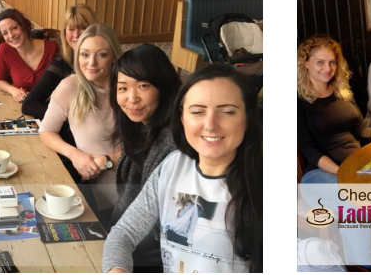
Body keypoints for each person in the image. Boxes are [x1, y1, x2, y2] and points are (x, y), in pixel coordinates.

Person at [101, 65, 263, 273]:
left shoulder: (262, 180)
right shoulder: (172, 166)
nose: (210, 124)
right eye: (197, 111)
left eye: (227, 112)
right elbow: (124, 232)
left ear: (247, 118)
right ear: (181, 117)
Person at [99, 45, 185, 271]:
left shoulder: (174, 143)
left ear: (163, 87)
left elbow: (161, 229)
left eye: (143, 86)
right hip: (124, 247)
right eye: (123, 88)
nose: (132, 98)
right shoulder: (140, 129)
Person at [40, 25, 126, 182]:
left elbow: (146, 144)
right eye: (85, 54)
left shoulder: (128, 88)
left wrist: (108, 161)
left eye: (102, 55)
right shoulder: (70, 87)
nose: (91, 63)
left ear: (114, 56)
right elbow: (46, 131)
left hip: (132, 179)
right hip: (93, 183)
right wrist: (74, 154)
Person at [299, 37, 366, 179]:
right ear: (305, 63)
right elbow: (309, 149)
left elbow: (361, 129)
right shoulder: (298, 100)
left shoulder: (343, 92)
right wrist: (341, 171)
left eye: (332, 62)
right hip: (321, 173)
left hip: (357, 165)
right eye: (320, 62)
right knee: (353, 196)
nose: (328, 68)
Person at [0, 9, 62, 103]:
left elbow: (65, 82)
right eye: (5, 33)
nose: (11, 35)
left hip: (53, 105)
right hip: (23, 106)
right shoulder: (4, 50)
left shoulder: (52, 48)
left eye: (14, 28)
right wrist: (13, 91)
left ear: (24, 26)